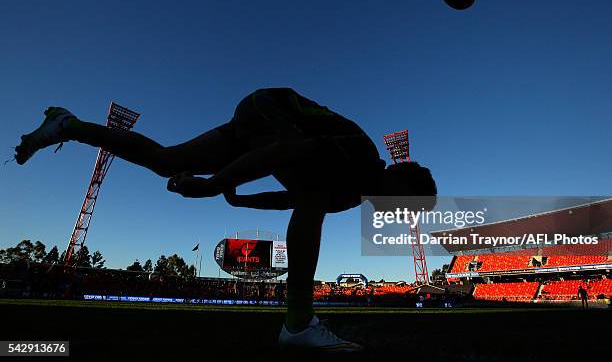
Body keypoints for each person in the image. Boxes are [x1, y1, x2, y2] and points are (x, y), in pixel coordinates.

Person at [14, 87, 436, 352]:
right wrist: (215, 185)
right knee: (312, 197)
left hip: (259, 119)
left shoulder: (350, 193)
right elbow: (285, 156)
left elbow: (290, 194)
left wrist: (241, 201)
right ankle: (298, 323)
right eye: (406, 205)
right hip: (271, 107)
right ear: (401, 182)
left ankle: (69, 125)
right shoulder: (361, 158)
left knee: (166, 160)